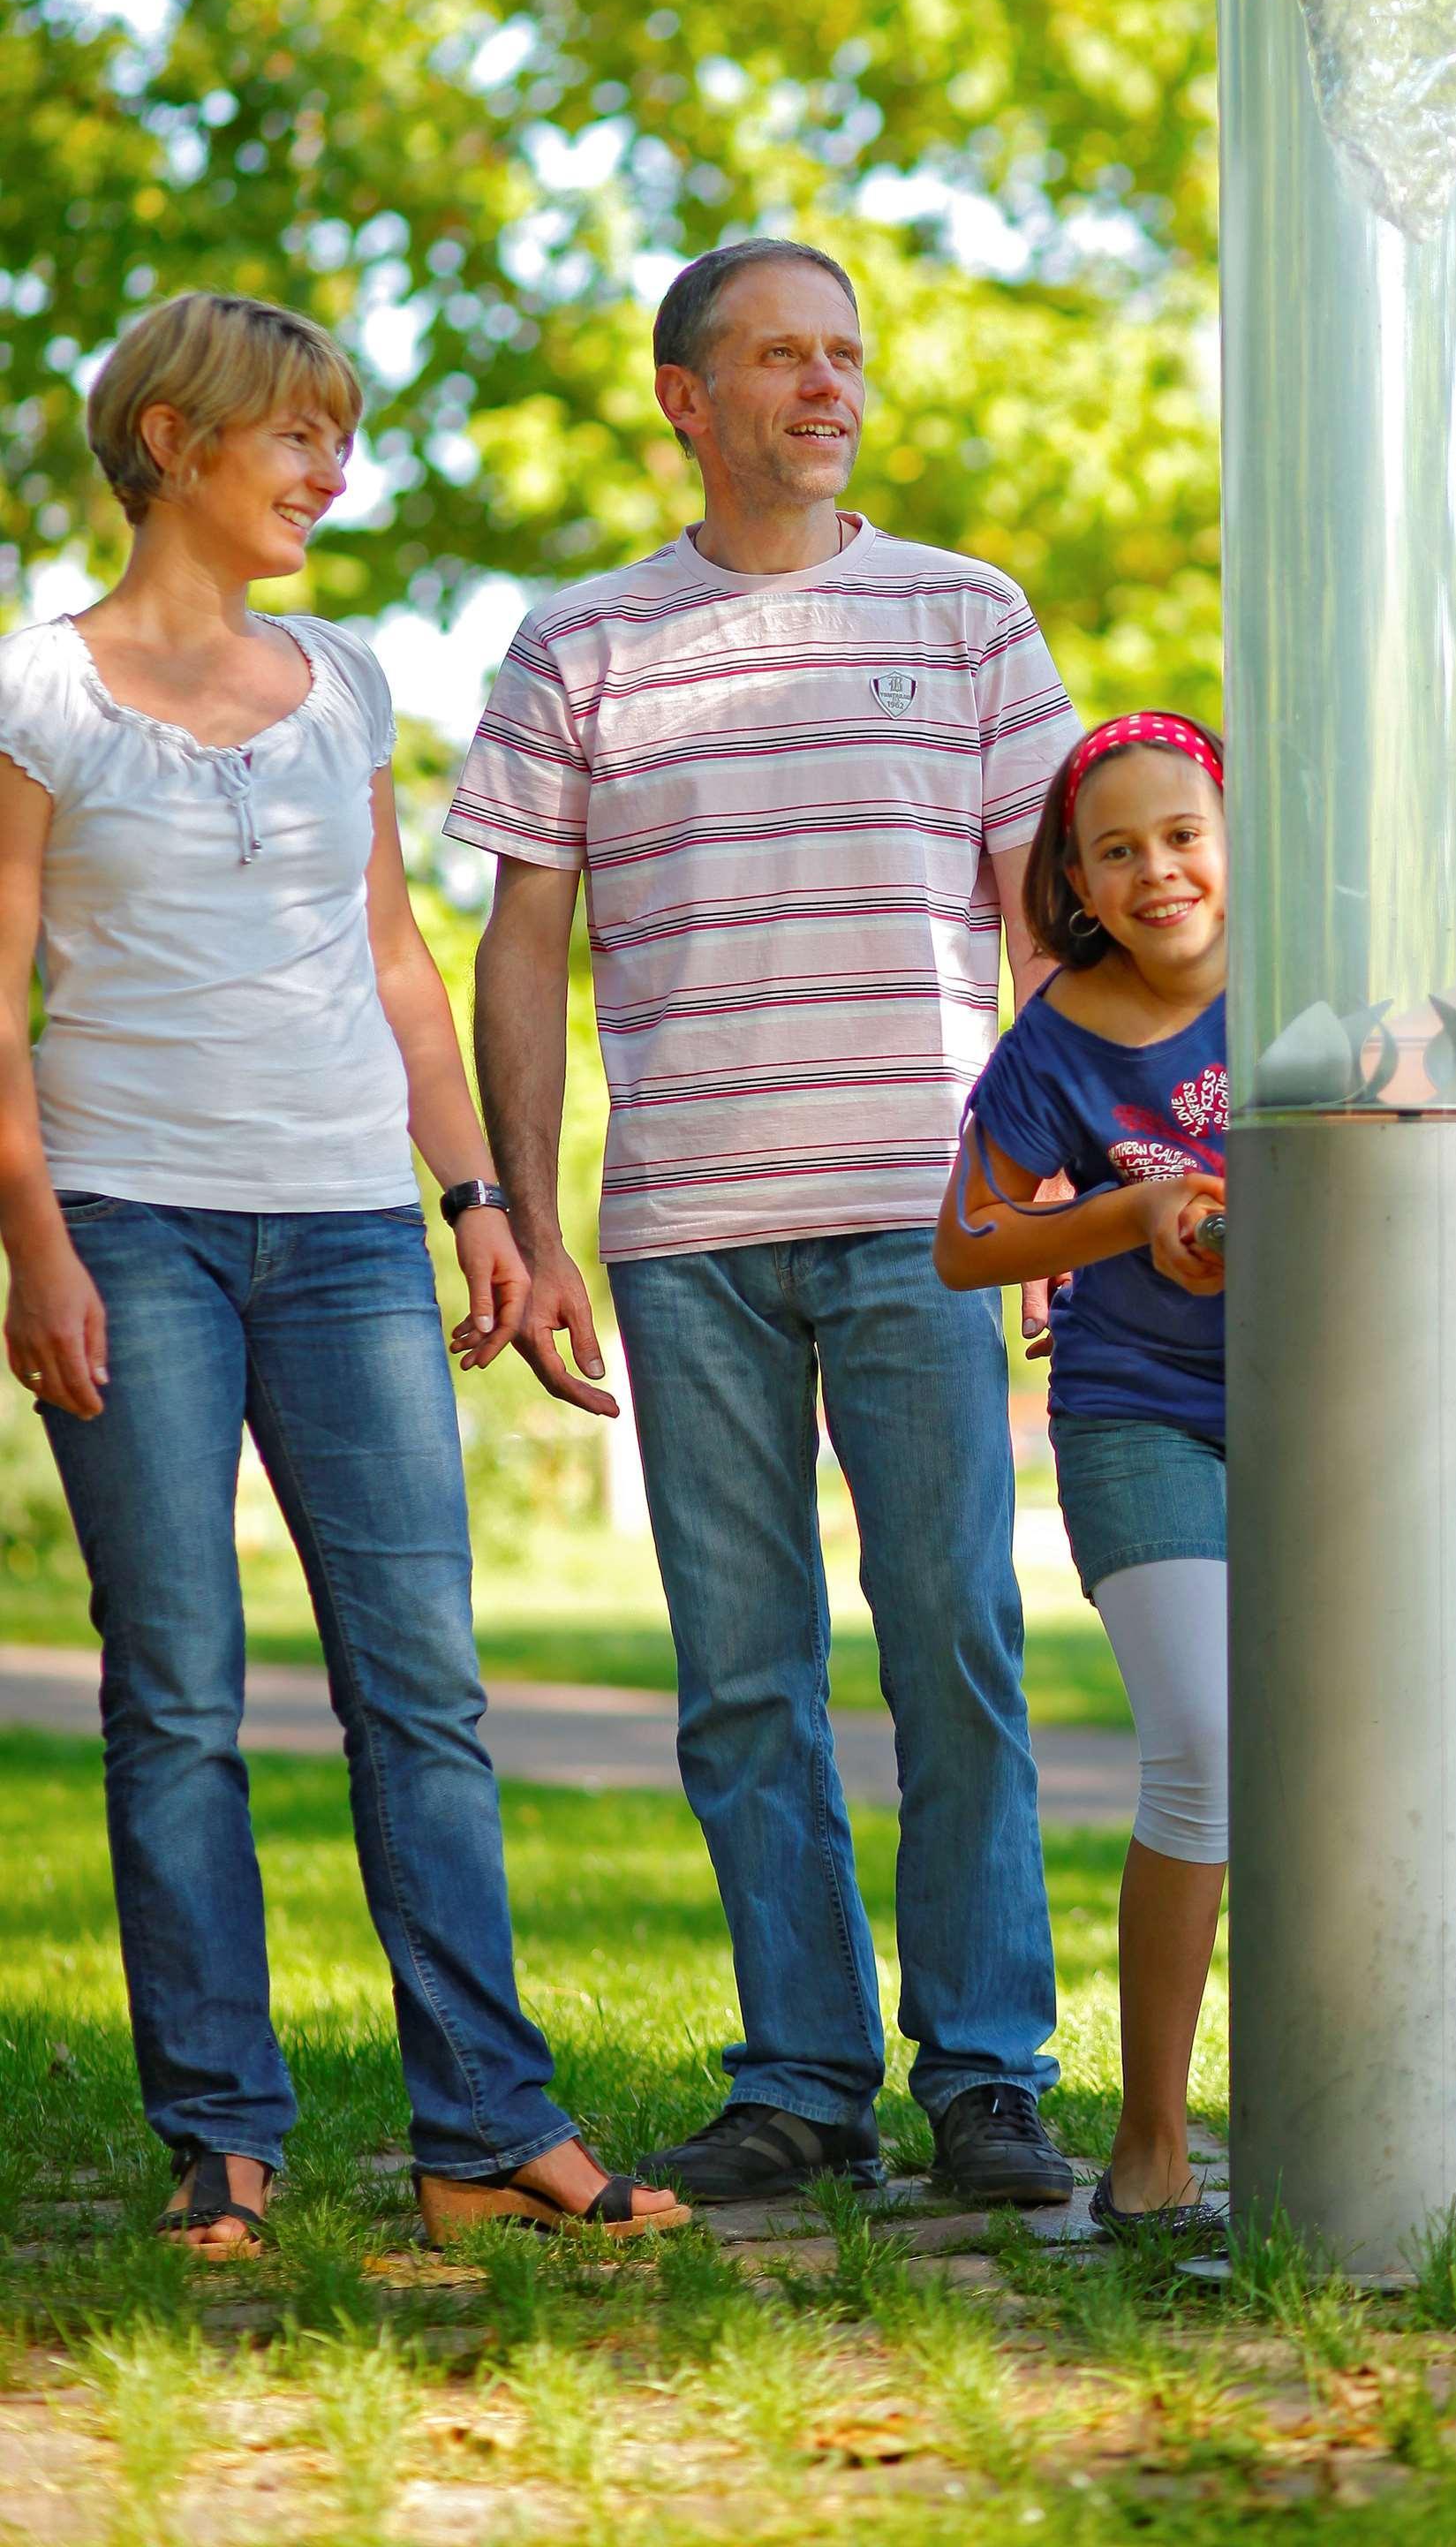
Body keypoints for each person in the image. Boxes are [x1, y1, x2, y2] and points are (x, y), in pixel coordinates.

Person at [0, 292, 681, 2256]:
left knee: (425, 1692)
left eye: (338, 433)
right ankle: (219, 2137)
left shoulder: (346, 681)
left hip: (348, 1238)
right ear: (169, 445)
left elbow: (396, 955)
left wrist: (476, 1202)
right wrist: (34, 1242)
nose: (329, 467)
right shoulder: (35, 692)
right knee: (181, 1698)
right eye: (291, 433)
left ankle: (484, 2129)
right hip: (128, 1219)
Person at [446, 238, 1083, 2210]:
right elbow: (521, 944)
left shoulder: (967, 616)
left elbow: (1039, 927)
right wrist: (527, 1221)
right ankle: (801, 2077)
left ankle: (984, 2071)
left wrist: (1064, 1194)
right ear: (683, 397)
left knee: (956, 1642)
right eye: (782, 358)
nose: (828, 388)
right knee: (740, 1675)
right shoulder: (582, 647)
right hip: (686, 1230)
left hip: (928, 1213)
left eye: (847, 356)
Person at [935, 714, 1228, 2243]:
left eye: (1182, 832)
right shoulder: (1054, 1040)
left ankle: (1364, 2099)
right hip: (1143, 1420)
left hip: (1338, 1421)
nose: (1157, 868)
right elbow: (964, 1243)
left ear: (1235, 837)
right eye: (1116, 850)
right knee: (1206, 1743)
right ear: (1077, 885)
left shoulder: (1319, 989)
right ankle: (1151, 2143)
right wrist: (1132, 1217)